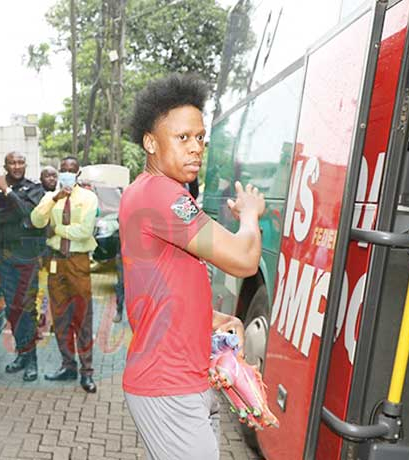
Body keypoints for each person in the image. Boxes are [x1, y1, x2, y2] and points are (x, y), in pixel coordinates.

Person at [119, 74, 263, 459]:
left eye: (200, 138)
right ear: (150, 142)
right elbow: (245, 260)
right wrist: (250, 217)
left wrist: (212, 317)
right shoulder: (160, 194)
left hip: (183, 381)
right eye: (182, 137)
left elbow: (160, 286)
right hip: (170, 386)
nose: (196, 148)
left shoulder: (147, 191)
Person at [30, 156, 99, 393]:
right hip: (56, 262)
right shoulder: (50, 197)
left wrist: (56, 228)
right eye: (63, 170)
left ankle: (87, 372)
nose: (67, 173)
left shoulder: (88, 198)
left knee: (83, 316)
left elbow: (84, 231)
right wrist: (53, 201)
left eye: (71, 170)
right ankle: (67, 364)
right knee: (60, 316)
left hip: (78, 262)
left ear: (78, 174)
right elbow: (37, 221)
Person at [0, 151, 46, 382]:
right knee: (13, 308)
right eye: (12, 162)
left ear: (25, 165)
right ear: (5, 165)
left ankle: (32, 362)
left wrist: (8, 194)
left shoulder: (35, 189)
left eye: (20, 162)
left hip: (27, 257)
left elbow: (29, 214)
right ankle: (23, 354)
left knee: (27, 308)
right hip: (5, 256)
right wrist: (16, 211)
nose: (17, 166)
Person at [35, 165, 58, 328]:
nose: (51, 179)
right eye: (47, 176)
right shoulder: (36, 197)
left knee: (56, 285)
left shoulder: (61, 196)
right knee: (41, 286)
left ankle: (54, 319)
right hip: (40, 252)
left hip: (57, 253)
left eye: (54, 176)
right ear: (41, 179)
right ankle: (39, 315)